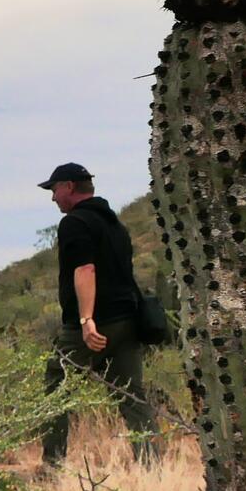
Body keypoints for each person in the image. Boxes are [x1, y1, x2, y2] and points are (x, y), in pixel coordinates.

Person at [38, 163, 155, 466]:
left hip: (94, 325)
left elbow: (85, 269)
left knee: (56, 384)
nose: (53, 198)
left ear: (69, 187)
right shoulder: (115, 224)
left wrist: (86, 319)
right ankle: (151, 464)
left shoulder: (75, 223)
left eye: (54, 190)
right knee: (132, 396)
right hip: (127, 320)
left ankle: (52, 466)